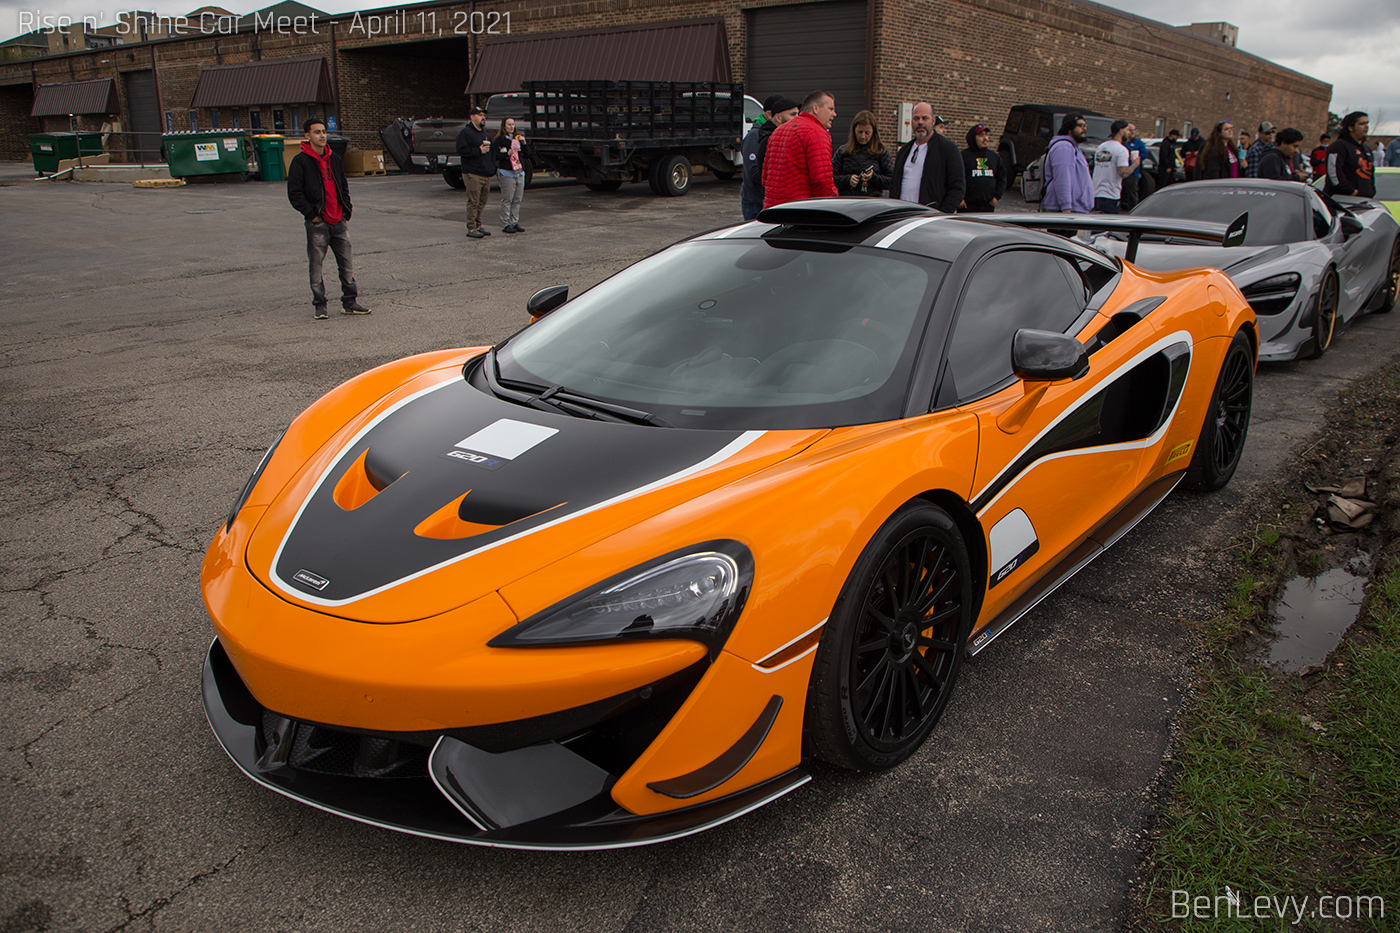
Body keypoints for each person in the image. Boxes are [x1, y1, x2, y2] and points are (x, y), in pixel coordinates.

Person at [286, 117, 370, 319]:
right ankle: (320, 305)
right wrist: (313, 215)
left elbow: (343, 185)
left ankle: (349, 302)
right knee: (316, 265)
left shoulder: (334, 159)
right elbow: (295, 193)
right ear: (307, 136)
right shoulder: (300, 162)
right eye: (317, 132)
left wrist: (346, 210)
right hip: (318, 223)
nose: (322, 135)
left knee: (347, 263)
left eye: (324, 131)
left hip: (338, 221)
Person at [762, 90, 839, 208]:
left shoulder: (778, 131)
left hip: (773, 209)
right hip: (800, 211)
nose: (834, 114)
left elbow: (765, 177)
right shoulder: (816, 133)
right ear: (816, 108)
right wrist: (830, 207)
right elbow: (821, 181)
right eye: (830, 109)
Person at [890, 102, 965, 211]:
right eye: (916, 119)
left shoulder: (947, 149)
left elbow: (957, 187)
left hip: (930, 219)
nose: (920, 122)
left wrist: (941, 214)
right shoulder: (904, 151)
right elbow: (894, 186)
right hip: (902, 216)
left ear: (933, 121)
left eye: (925, 118)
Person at [740, 94, 799, 220]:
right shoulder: (755, 137)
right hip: (755, 204)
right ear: (771, 114)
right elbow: (754, 173)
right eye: (792, 114)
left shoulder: (778, 135)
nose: (796, 119)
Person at [455, 105, 496, 238]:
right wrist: (478, 150)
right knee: (473, 201)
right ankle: (471, 227)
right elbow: (461, 150)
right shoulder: (466, 133)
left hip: (485, 173)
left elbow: (490, 154)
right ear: (472, 117)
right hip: (472, 173)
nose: (483, 118)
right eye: (480, 115)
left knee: (482, 202)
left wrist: (492, 167)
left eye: (484, 116)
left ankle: (478, 225)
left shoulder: (484, 134)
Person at [832, 110, 894, 197]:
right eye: (859, 132)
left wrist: (873, 177)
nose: (863, 136)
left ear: (873, 132)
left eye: (867, 133)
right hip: (847, 201)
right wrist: (847, 180)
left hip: (872, 202)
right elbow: (830, 178)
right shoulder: (843, 151)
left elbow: (892, 181)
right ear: (854, 131)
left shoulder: (881, 151)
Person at [1041, 112, 1093, 214]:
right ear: (1069, 128)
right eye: (1081, 126)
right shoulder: (1064, 147)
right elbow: (1062, 178)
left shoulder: (1073, 147)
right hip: (1064, 210)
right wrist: (1066, 207)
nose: (1084, 129)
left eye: (1085, 126)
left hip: (1074, 207)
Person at [1325, 111, 1375, 198]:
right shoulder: (1339, 146)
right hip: (1342, 200)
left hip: (1363, 200)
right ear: (1351, 127)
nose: (1366, 127)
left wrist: (1371, 191)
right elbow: (1334, 172)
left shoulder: (1366, 149)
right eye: (1362, 124)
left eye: (1367, 123)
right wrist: (1350, 191)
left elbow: (1370, 173)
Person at [1091, 119, 1137, 213]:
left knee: (1098, 225)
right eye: (1127, 130)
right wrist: (1135, 164)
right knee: (1109, 226)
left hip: (1096, 193)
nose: (1129, 133)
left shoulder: (1101, 147)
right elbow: (1123, 173)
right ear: (1121, 131)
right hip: (1111, 194)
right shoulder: (1121, 150)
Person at [958, 123, 1006, 212]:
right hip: (967, 206)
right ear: (973, 137)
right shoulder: (962, 156)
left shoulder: (994, 157)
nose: (985, 138)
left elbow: (1001, 178)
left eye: (986, 135)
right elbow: (955, 179)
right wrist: (959, 198)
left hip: (987, 206)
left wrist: (996, 197)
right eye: (981, 135)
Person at [493, 117, 530, 233]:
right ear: (504, 126)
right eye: (509, 124)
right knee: (507, 198)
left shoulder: (517, 139)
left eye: (513, 124)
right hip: (507, 172)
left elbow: (528, 154)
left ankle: (514, 222)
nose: (511, 127)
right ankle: (505, 223)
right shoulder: (500, 140)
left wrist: (524, 143)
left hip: (519, 172)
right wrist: (506, 154)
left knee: (517, 199)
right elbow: (495, 155)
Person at [1121, 122, 1150, 210]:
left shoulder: (1138, 143)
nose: (1132, 132)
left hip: (1133, 171)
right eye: (1130, 130)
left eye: (1134, 130)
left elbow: (1145, 154)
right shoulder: (1122, 142)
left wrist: (1137, 158)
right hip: (1121, 169)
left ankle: (1133, 209)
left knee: (1132, 191)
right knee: (1120, 190)